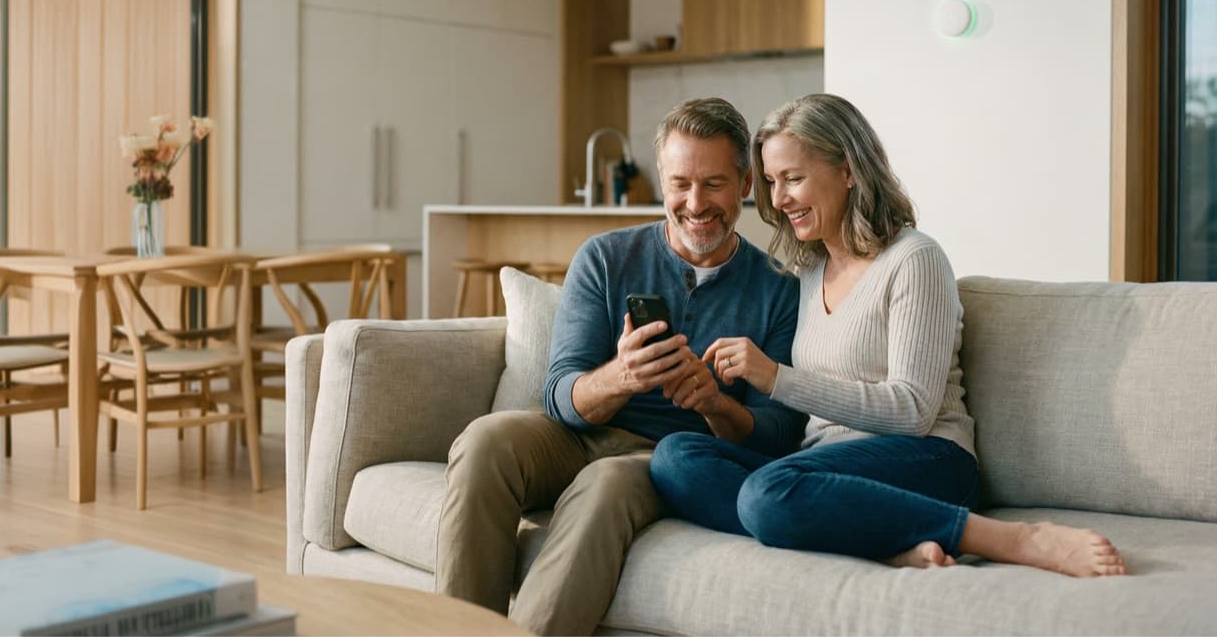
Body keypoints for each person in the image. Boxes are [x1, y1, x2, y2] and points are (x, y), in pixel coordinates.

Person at [649, 93, 1127, 578]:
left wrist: (777, 378)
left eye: (793, 178)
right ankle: (880, 542)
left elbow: (913, 411)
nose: (778, 200)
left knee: (767, 493)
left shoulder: (914, 259)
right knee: (675, 458)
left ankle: (1013, 538)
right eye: (772, 182)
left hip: (928, 460)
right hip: (827, 468)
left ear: (848, 170)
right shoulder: (809, 269)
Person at [434, 97, 807, 636]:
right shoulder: (605, 258)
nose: (695, 203)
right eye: (680, 184)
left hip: (665, 456)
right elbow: (560, 394)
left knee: (605, 484)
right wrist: (622, 376)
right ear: (661, 181)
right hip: (578, 436)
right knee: (485, 441)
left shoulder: (778, 290)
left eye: (714, 184)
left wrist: (714, 404)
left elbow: (779, 434)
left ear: (746, 184)